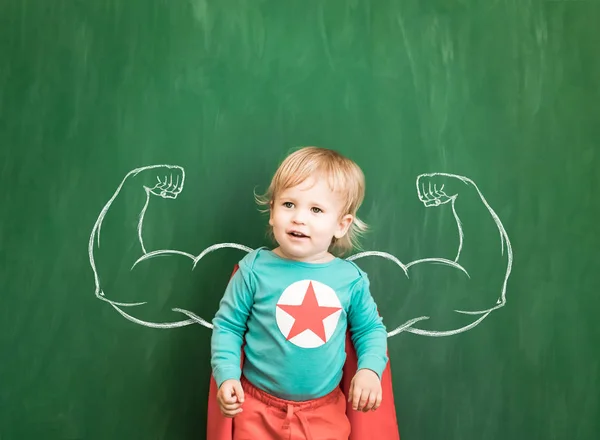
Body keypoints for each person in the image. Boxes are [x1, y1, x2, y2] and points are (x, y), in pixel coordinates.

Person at [210, 146, 389, 440]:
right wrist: (227, 374)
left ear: (341, 225)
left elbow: (370, 329)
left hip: (324, 416)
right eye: (289, 204)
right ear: (272, 212)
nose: (299, 218)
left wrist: (370, 370)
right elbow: (228, 325)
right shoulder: (254, 270)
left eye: (316, 209)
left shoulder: (350, 280)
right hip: (256, 409)